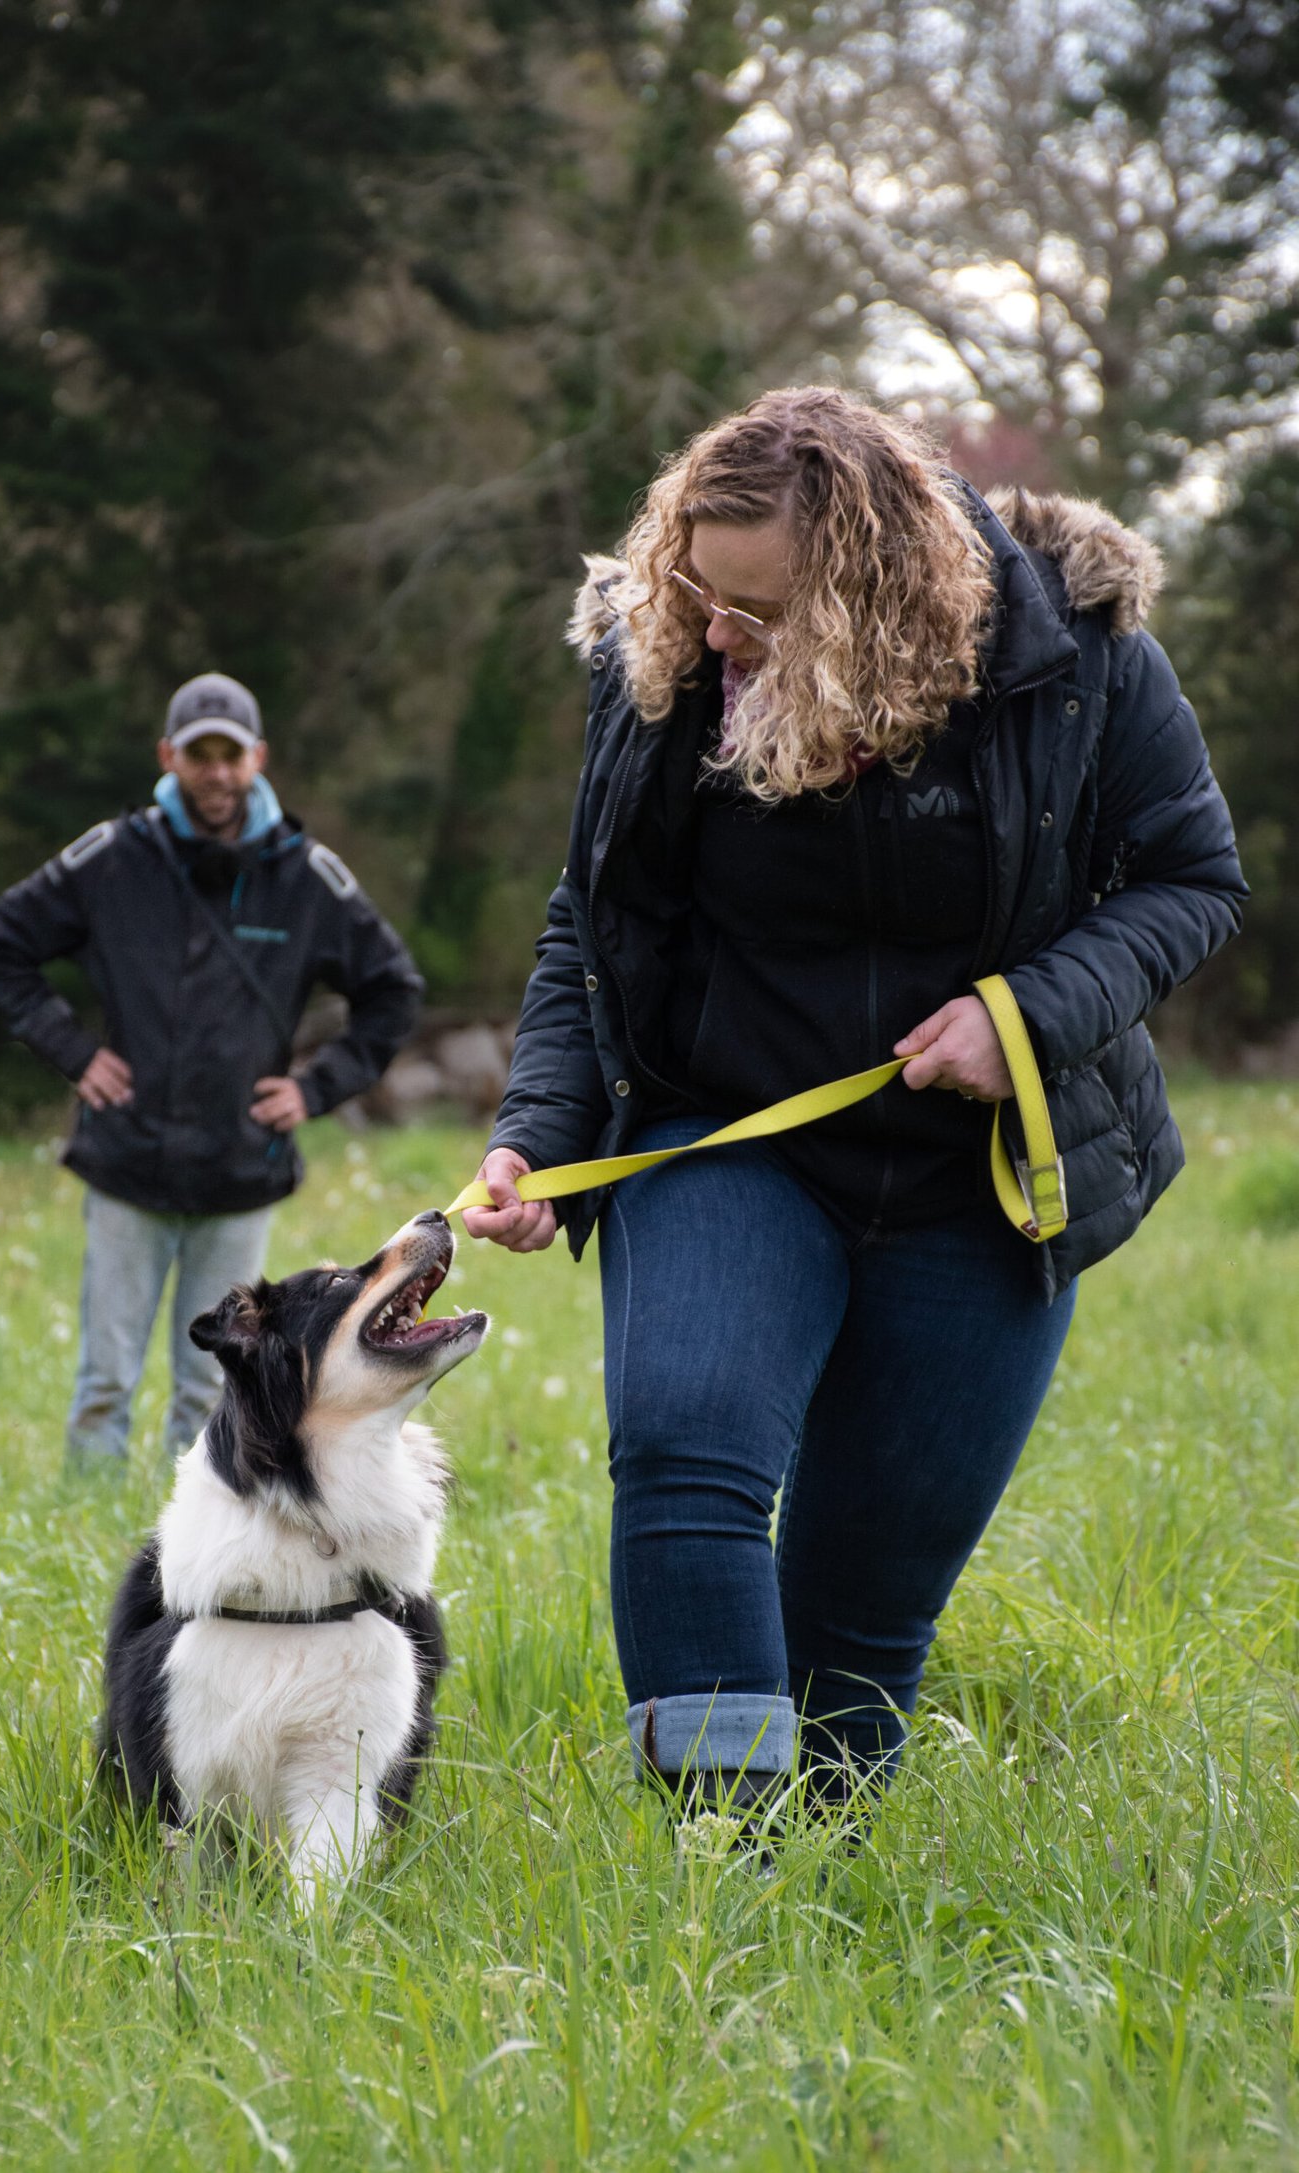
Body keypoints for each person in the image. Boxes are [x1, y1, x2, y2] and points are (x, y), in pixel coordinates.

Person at [462, 388, 1245, 1824]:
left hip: (980, 1175)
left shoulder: (1075, 660)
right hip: (722, 1137)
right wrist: (539, 1127)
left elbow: (1194, 881)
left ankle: (819, 1904)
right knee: (687, 1447)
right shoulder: (659, 664)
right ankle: (718, 1880)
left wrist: (1026, 1020)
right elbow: (597, 916)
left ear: (873, 599)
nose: (710, 635)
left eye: (754, 610)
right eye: (697, 590)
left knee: (862, 1612)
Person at [0, 672, 422, 1468]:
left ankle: (197, 1534)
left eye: (231, 754)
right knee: (105, 1378)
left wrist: (315, 1087)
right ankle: (86, 1522)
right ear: (168, 756)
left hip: (241, 1168)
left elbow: (394, 990)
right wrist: (72, 1052)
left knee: (212, 1383)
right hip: (125, 1162)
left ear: (258, 758)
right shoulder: (112, 857)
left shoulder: (307, 876)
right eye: (199, 753)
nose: (216, 772)